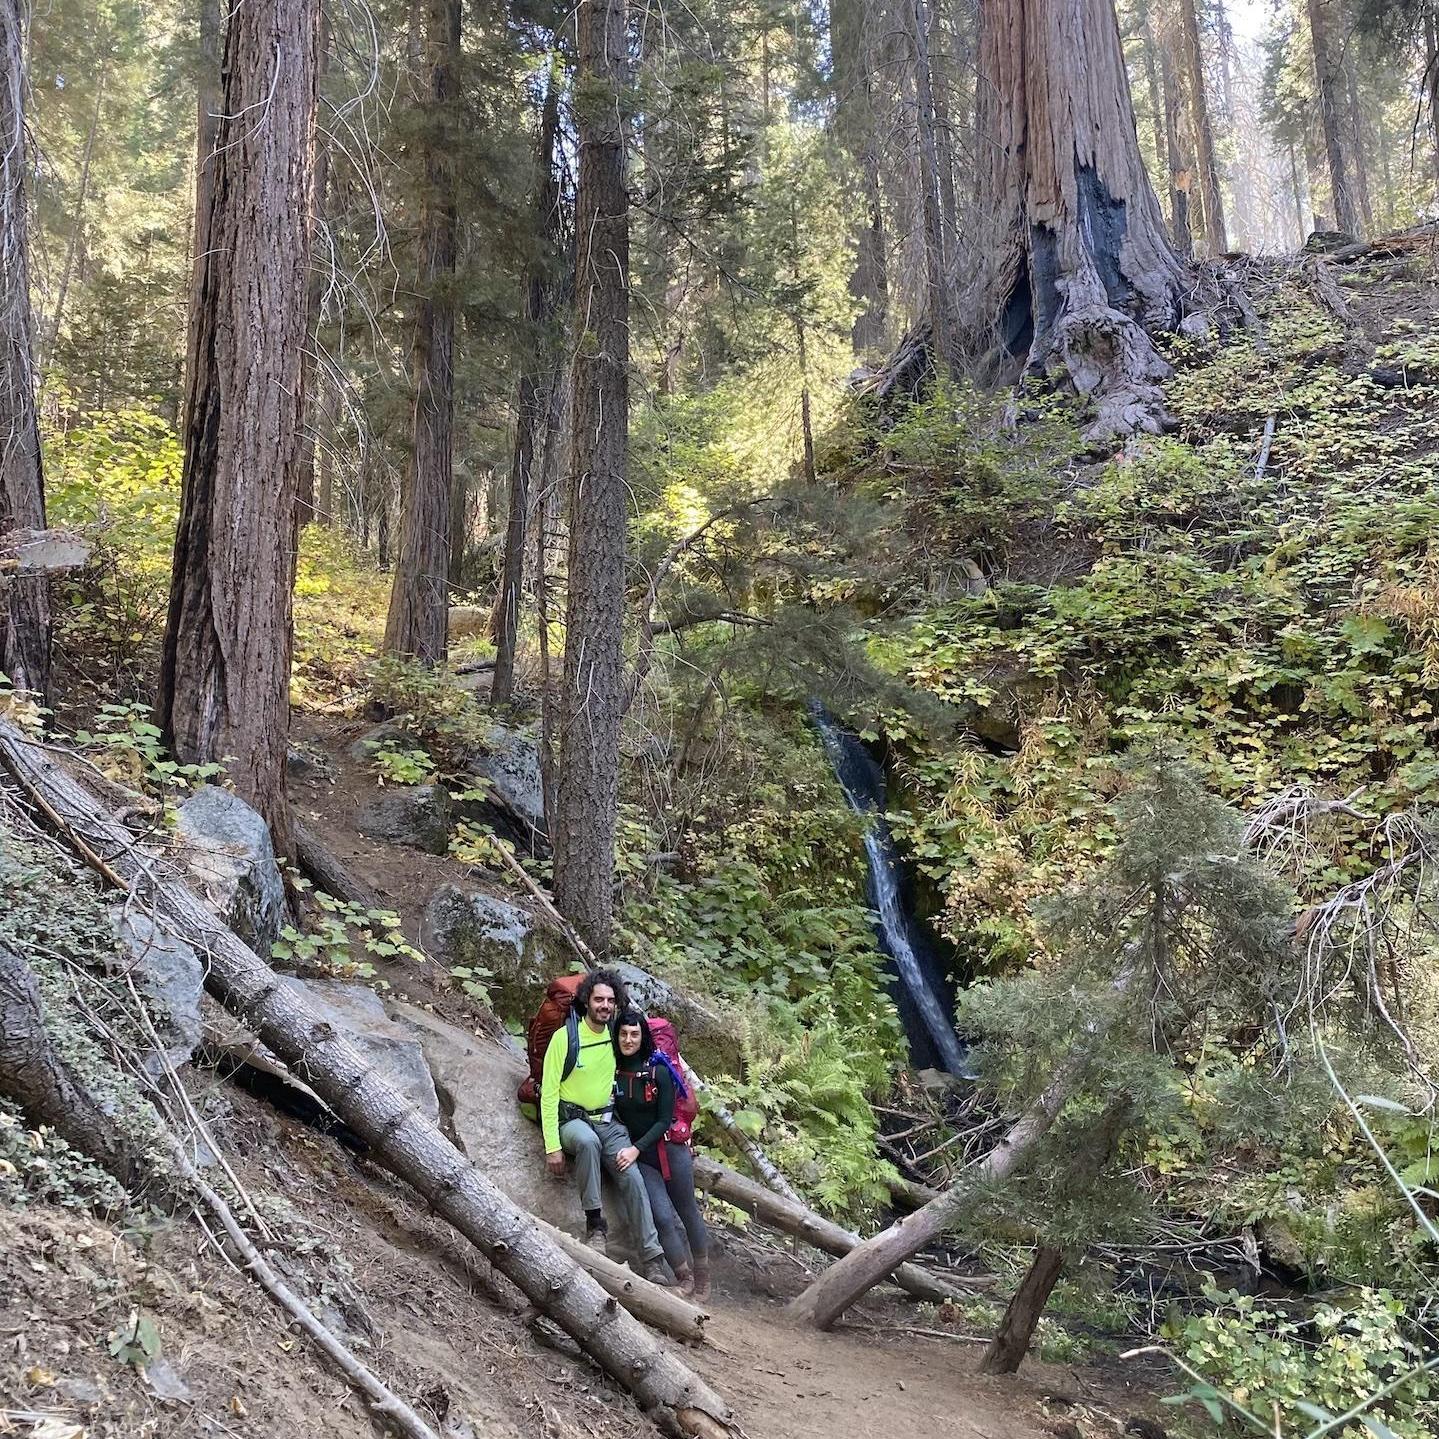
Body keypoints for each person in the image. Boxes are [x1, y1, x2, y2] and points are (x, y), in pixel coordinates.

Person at [540, 969, 673, 1285]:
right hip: (572, 1120)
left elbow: (640, 1060)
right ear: (586, 1000)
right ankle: (595, 1226)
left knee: (631, 1176)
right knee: (587, 1142)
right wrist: (552, 1146)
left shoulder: (616, 1034)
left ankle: (653, 1257)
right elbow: (549, 1093)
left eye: (610, 1000)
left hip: (609, 1121)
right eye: (599, 999)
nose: (604, 1005)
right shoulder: (565, 1038)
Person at [612, 1008, 712, 1301]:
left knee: (687, 1210)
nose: (629, 1040)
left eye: (634, 1034)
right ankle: (685, 1277)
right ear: (616, 1036)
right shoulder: (614, 1069)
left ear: (642, 1037)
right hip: (643, 1158)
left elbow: (663, 1118)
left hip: (669, 1148)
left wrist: (634, 1148)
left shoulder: (659, 1070)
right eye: (623, 1034)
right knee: (661, 1217)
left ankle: (704, 1275)